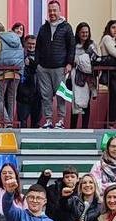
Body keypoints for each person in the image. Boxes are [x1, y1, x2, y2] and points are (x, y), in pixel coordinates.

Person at [34, 0, 75, 129]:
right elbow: (38, 48)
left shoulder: (66, 27)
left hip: (60, 68)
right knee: (45, 96)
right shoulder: (43, 28)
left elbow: (71, 47)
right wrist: (37, 65)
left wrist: (69, 63)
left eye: (54, 10)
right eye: (50, 10)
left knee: (60, 95)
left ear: (59, 11)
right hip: (43, 68)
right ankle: (48, 120)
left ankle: (61, 120)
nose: (52, 13)